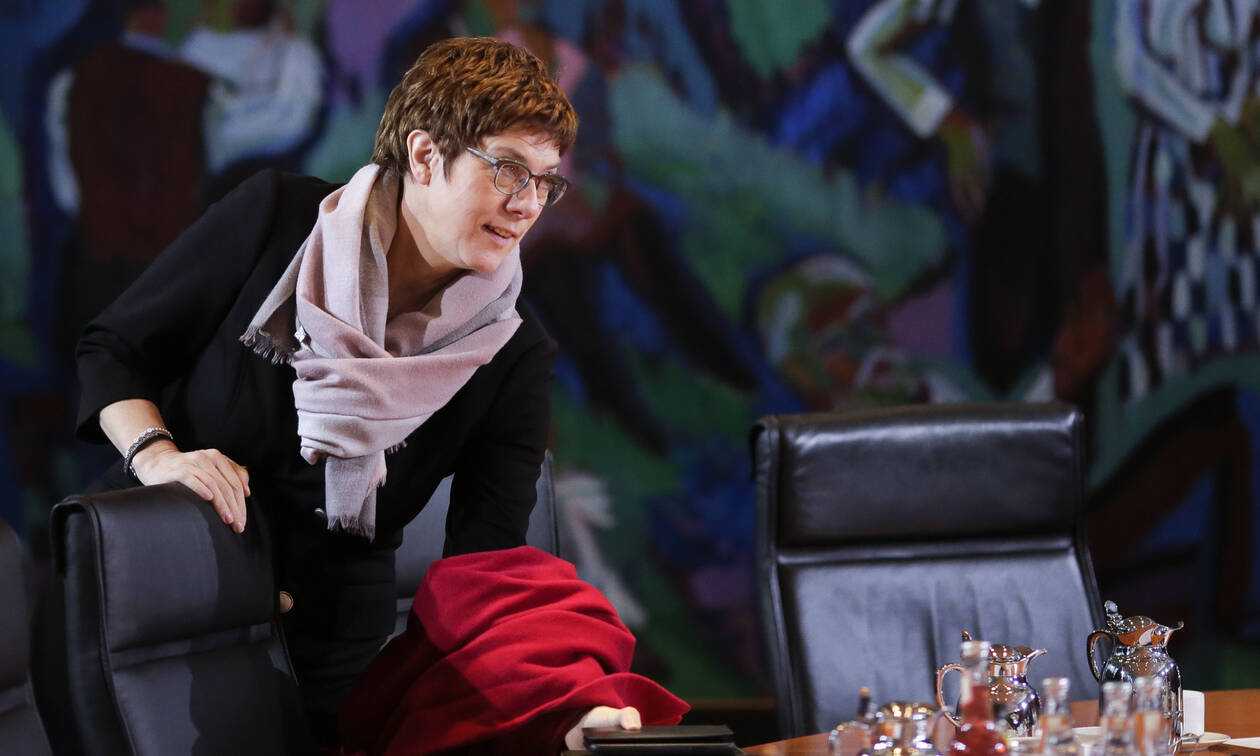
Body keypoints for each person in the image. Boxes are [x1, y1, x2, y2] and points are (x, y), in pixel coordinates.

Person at [75, 36, 666, 749]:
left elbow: (488, 579)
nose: (528, 204)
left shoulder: (513, 352)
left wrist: (567, 712)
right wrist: (158, 455)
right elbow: (114, 350)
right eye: (508, 170)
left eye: (546, 182)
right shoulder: (277, 220)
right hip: (163, 598)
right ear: (425, 155)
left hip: (331, 648)